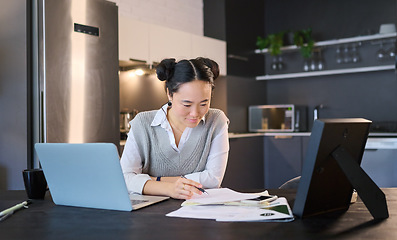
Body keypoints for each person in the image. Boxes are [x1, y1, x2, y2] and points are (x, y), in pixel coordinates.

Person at [120, 57, 230, 200]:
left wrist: (154, 180)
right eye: (186, 104)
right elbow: (125, 178)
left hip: (200, 210)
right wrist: (169, 188)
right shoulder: (142, 123)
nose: (195, 113)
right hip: (152, 213)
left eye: (204, 104)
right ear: (169, 94)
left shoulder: (216, 120)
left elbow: (213, 179)